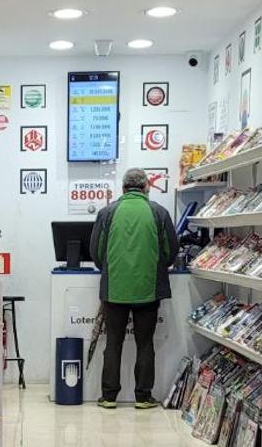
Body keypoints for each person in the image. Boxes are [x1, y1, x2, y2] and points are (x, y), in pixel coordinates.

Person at [90, 168, 178, 411]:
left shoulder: (107, 213)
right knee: (145, 343)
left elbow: (96, 254)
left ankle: (108, 397)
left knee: (114, 343)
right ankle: (143, 397)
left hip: (114, 291)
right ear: (146, 187)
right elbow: (171, 251)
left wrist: (108, 269)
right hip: (147, 292)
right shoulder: (159, 213)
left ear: (123, 188)